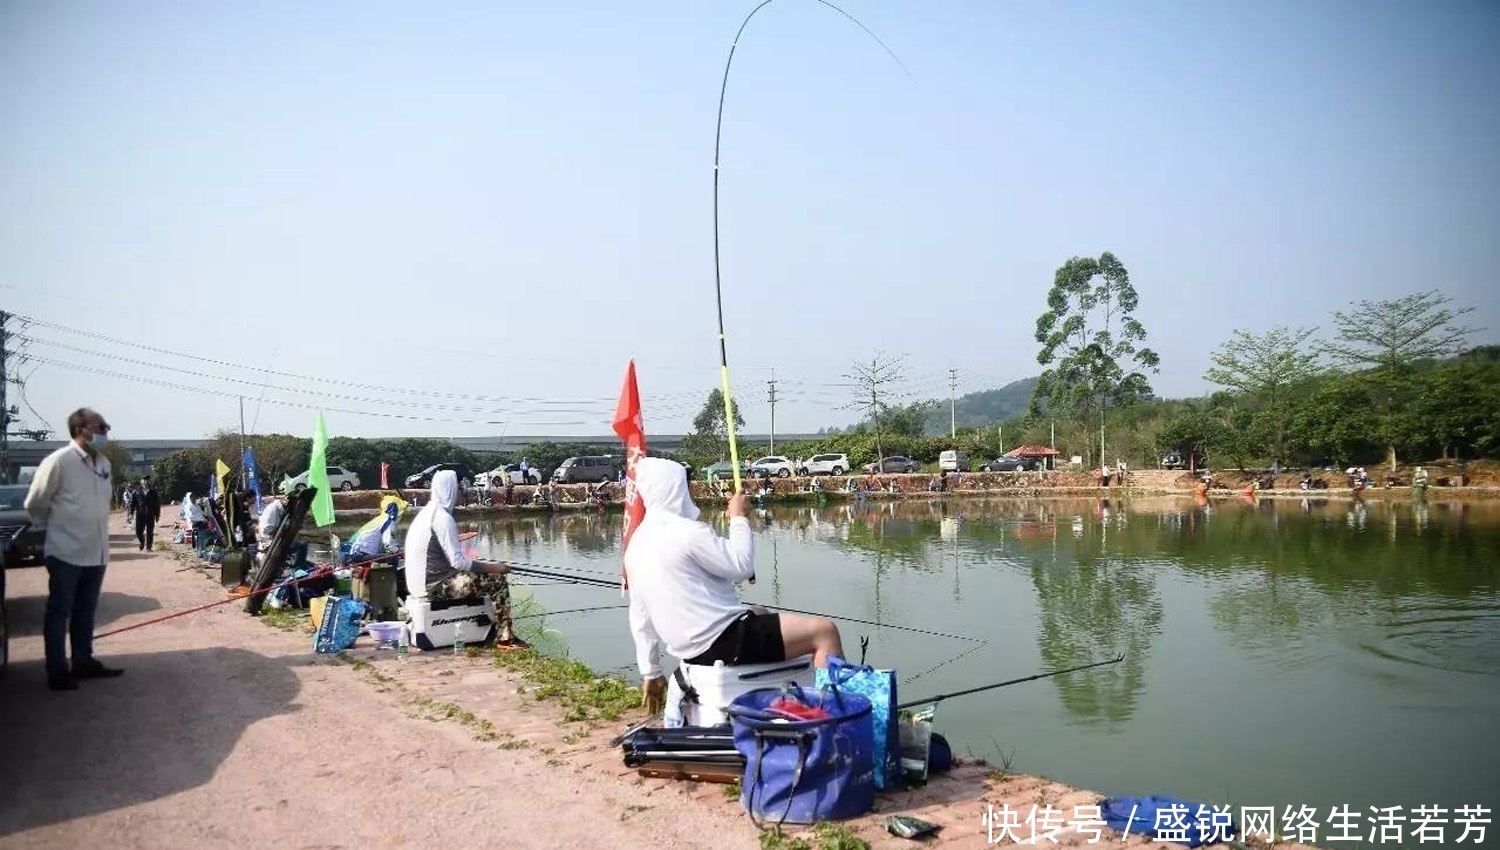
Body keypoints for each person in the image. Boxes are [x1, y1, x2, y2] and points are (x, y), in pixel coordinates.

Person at [626, 457, 844, 709]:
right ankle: (832, 719)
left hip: (692, 650)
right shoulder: (687, 532)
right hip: (725, 641)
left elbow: (640, 618)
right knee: (824, 631)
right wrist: (738, 517)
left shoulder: (637, 543)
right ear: (676, 490)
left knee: (760, 612)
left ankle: (792, 700)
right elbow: (741, 566)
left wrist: (650, 670)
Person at [24, 407, 125, 691]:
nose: (106, 430)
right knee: (60, 611)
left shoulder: (103, 464)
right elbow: (35, 503)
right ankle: (57, 670)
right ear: (81, 429)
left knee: (86, 610)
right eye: (101, 426)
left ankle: (83, 661)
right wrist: (57, 530)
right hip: (65, 551)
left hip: (96, 551)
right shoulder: (59, 461)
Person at [404, 470, 528, 649]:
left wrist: (484, 566)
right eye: (459, 488)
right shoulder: (442, 519)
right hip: (437, 587)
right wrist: (495, 568)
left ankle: (492, 630)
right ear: (450, 490)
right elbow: (459, 563)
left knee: (482, 575)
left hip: (422, 584)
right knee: (497, 581)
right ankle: (505, 638)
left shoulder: (427, 514)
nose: (462, 492)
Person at [134, 476, 162, 551]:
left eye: (147, 480)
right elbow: (133, 503)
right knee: (138, 531)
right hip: (140, 515)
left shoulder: (153, 492)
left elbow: (157, 504)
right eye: (144, 480)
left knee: (150, 532)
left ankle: (149, 547)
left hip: (150, 514)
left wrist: (157, 515)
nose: (146, 481)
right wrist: (130, 513)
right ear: (141, 481)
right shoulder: (137, 491)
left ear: (149, 481)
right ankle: (142, 542)